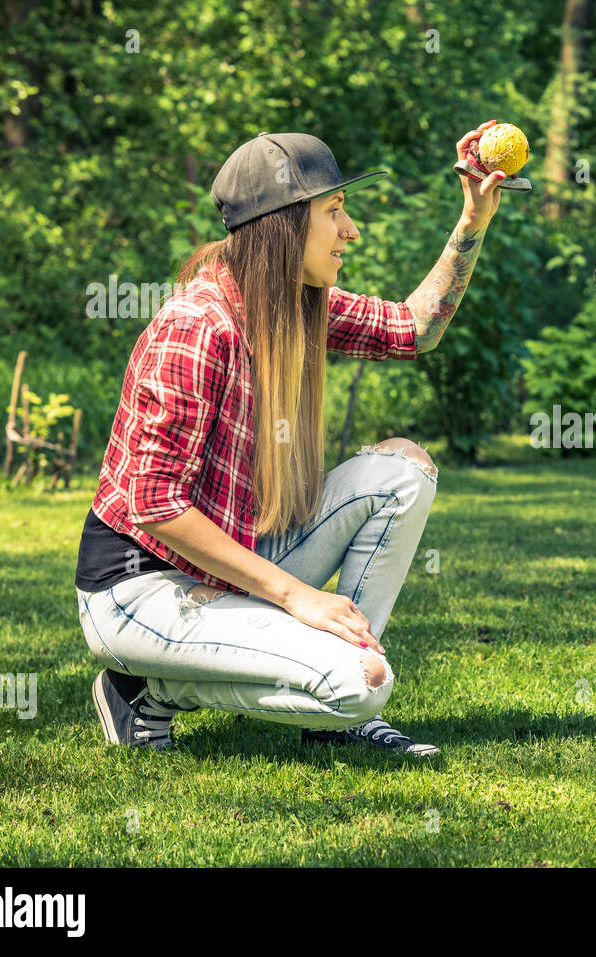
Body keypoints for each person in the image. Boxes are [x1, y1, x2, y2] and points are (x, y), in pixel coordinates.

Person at [74, 123, 507, 754]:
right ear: (282, 225)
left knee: (403, 472)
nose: (350, 230)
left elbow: (415, 328)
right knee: (362, 682)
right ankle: (144, 691)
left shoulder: (296, 304)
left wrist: (473, 219)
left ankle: (336, 697)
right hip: (139, 591)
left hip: (225, 563)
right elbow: (154, 503)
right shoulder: (196, 328)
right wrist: (298, 596)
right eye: (333, 212)